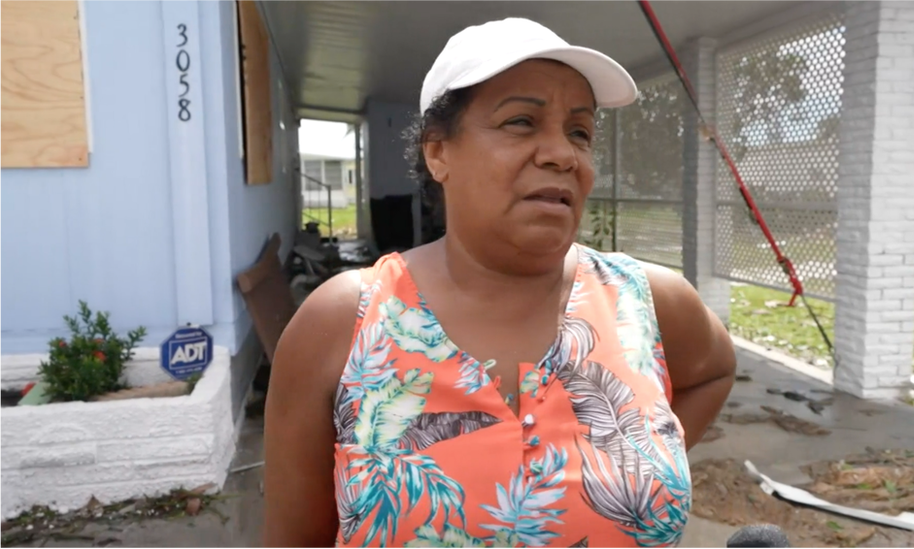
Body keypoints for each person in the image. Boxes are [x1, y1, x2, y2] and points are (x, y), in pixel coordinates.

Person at [263, 17, 736, 549]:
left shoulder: (648, 300)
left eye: (579, 131)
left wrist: (644, 465)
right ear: (438, 151)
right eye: (520, 122)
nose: (563, 154)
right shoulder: (344, 323)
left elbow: (715, 370)